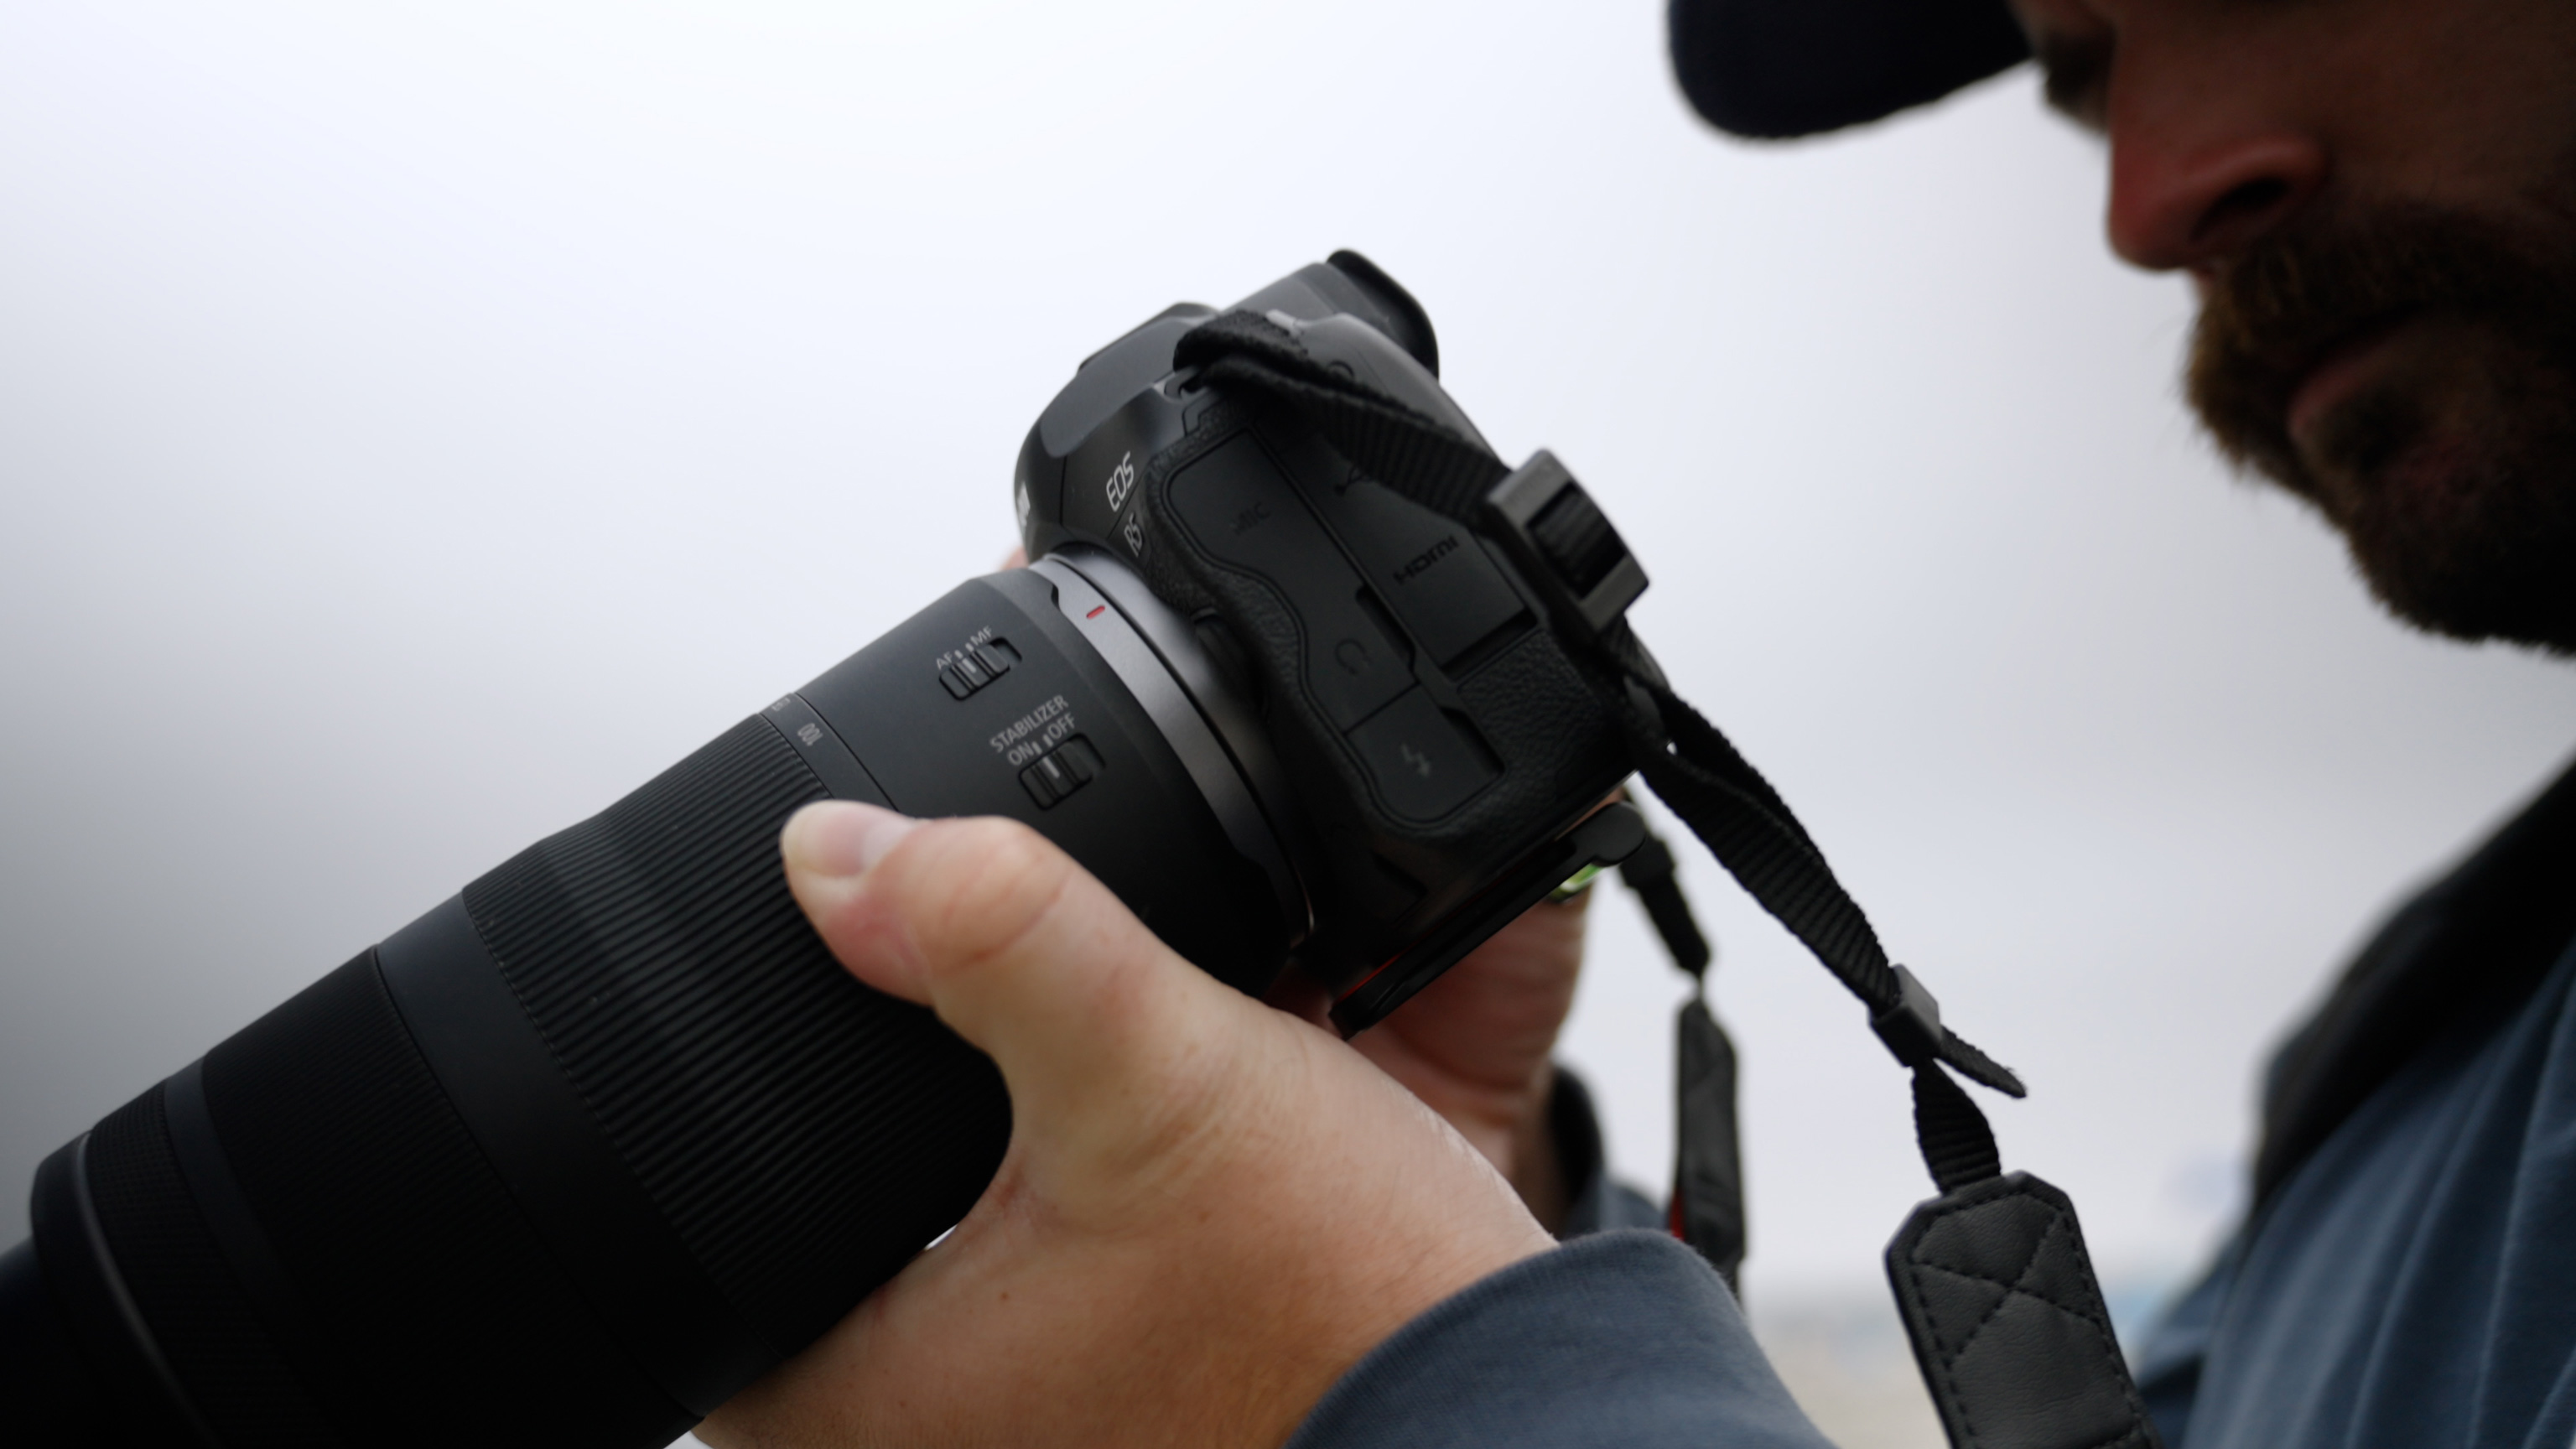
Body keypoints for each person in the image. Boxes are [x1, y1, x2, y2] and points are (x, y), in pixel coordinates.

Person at [701, 0, 2576, 1443]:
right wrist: (1468, 1209)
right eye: (2077, 72)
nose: (2146, 200)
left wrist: (1414, 1366)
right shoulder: (2411, 1059)